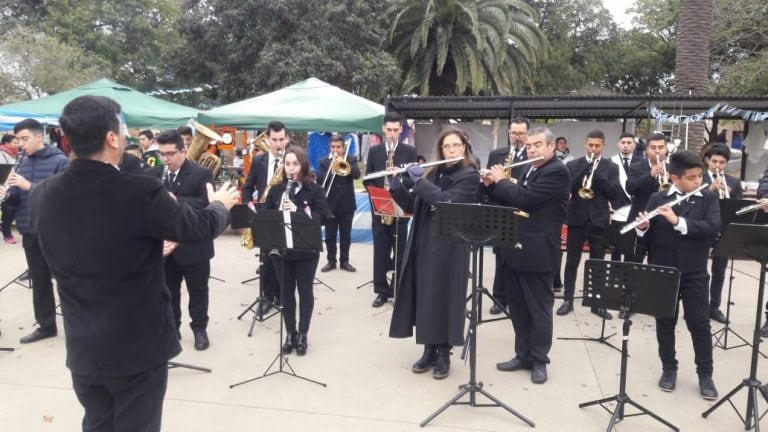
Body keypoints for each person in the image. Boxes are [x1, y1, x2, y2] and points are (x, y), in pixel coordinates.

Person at [28, 95, 237, 431]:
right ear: (112, 137)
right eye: (122, 129)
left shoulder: (42, 194)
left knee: (97, 423)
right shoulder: (140, 191)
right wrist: (221, 205)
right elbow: (199, 227)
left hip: (84, 347)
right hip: (137, 348)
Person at [389, 128, 480, 379]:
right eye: (446, 147)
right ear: (440, 150)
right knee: (425, 295)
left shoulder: (469, 176)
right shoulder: (433, 171)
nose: (451, 151)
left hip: (449, 246)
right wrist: (397, 184)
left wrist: (419, 181)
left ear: (464, 148)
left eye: (456, 146)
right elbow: (412, 206)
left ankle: (443, 353)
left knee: (445, 296)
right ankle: (428, 349)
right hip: (423, 240)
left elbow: (446, 202)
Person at [482, 127, 570, 384]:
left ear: (551, 147)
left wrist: (502, 180)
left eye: (538, 144)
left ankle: (540, 360)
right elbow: (510, 199)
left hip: (539, 251)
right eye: (530, 145)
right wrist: (489, 186)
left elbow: (524, 197)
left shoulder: (556, 170)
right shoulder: (531, 168)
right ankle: (522, 355)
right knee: (519, 308)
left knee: (539, 310)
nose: (532, 149)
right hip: (515, 247)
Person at [633, 149, 720, 400]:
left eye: (699, 176)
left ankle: (705, 375)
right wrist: (642, 228)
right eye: (692, 178)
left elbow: (712, 228)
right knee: (665, 321)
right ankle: (669, 369)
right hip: (664, 271)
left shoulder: (707, 198)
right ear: (674, 178)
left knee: (699, 324)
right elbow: (645, 240)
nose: (698, 182)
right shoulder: (657, 198)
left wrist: (677, 221)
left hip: (694, 272)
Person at [148, 130, 218, 351]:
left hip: (194, 246)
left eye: (170, 154)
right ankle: (173, 328)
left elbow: (206, 203)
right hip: (165, 246)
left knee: (198, 290)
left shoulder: (201, 173)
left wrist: (176, 200)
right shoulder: (153, 174)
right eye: (162, 154)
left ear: (183, 151)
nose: (165, 159)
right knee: (169, 290)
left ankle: (199, 329)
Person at [0, 119, 69, 344]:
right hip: (30, 229)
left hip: (56, 231)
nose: (21, 144)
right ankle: (46, 325)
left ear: (40, 136)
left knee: (68, 279)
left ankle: (78, 323)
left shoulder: (60, 161)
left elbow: (64, 195)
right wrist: (8, 196)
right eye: (18, 140)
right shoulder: (21, 163)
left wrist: (29, 186)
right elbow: (16, 201)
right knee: (39, 281)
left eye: (25, 139)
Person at [263, 147, 332, 356]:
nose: (290, 168)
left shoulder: (314, 190)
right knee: (285, 292)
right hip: (282, 250)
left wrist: (297, 211)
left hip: (306, 250)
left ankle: (303, 333)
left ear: (303, 165)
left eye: (295, 164)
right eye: (287, 164)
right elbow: (266, 216)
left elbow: (324, 216)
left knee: (304, 290)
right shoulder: (277, 190)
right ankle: (290, 333)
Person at [557, 130, 621, 318]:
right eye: (590, 145)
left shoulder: (611, 167)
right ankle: (568, 300)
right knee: (571, 262)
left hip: (598, 219)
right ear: (586, 144)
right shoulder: (574, 164)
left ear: (603, 146)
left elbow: (614, 194)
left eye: (597, 146)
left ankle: (597, 302)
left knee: (597, 263)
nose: (593, 149)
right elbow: (567, 188)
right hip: (577, 218)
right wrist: (580, 176)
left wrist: (599, 178)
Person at [363, 112, 417, 308]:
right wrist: (376, 204)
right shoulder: (375, 151)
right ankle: (381, 291)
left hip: (400, 210)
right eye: (389, 130)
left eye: (396, 130)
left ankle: (398, 289)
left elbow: (412, 179)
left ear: (401, 130)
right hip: (380, 211)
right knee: (380, 253)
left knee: (400, 252)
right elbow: (368, 179)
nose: (393, 134)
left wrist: (399, 180)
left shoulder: (409, 151)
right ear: (383, 130)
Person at [241, 121, 289, 317]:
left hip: (286, 215)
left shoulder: (293, 159)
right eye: (274, 140)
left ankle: (284, 296)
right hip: (264, 216)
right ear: (267, 139)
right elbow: (247, 186)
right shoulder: (259, 161)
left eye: (281, 140)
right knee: (266, 260)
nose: (278, 144)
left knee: (285, 259)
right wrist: (249, 207)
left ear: (287, 139)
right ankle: (267, 297)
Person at [486, 117, 529, 315]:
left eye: (521, 134)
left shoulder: (532, 154)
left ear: (527, 135)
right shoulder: (497, 154)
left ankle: (518, 298)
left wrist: (510, 182)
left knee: (520, 257)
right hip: (500, 212)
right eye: (514, 133)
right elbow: (490, 184)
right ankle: (499, 298)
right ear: (508, 133)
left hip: (522, 212)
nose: (517, 137)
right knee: (500, 259)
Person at [703, 143, 743, 324]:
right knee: (698, 270)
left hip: (723, 230)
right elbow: (689, 203)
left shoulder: (734, 182)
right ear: (707, 160)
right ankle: (697, 304)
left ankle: (714, 307)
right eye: (714, 161)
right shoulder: (699, 178)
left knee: (719, 272)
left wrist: (730, 194)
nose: (717, 165)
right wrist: (709, 190)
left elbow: (739, 208)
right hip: (702, 229)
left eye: (722, 162)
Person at [317, 134, 361, 273]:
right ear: (330, 147)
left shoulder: (351, 159)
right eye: (333, 147)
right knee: (330, 235)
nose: (335, 150)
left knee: (345, 235)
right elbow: (320, 180)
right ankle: (331, 261)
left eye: (338, 147)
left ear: (343, 147)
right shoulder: (324, 161)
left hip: (347, 204)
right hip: (329, 204)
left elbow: (357, 175)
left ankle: (344, 261)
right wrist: (333, 167)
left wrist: (344, 163)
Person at [626, 132, 669, 263]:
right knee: (634, 261)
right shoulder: (636, 167)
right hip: (640, 219)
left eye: (661, 147)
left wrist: (671, 183)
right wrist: (650, 175)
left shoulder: (673, 169)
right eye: (653, 147)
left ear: (666, 149)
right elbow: (630, 188)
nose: (657, 151)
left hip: (662, 222)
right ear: (647, 150)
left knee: (657, 262)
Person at [608, 133, 637, 262]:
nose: (626, 146)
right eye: (623, 142)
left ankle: (629, 278)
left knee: (631, 248)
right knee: (616, 248)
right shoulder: (610, 162)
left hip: (636, 209)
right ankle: (616, 276)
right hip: (616, 209)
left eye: (629, 143)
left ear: (634, 145)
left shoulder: (641, 162)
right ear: (618, 144)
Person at [1, 134, 21, 244]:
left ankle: (4, 226)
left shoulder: (18, 154)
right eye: (15, 143)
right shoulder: (2, 154)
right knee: (8, 209)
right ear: (6, 143)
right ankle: (6, 233)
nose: (18, 145)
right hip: (5, 185)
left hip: (16, 184)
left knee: (12, 209)